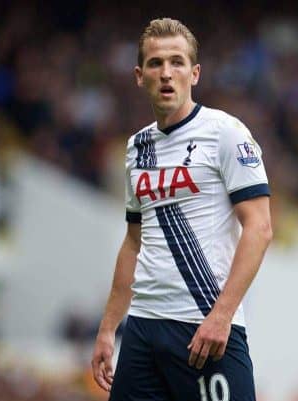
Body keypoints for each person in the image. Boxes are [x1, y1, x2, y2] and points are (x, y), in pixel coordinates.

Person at [90, 18, 272, 401]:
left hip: (204, 326)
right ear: (140, 76)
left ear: (195, 72)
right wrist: (109, 327)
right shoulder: (136, 148)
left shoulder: (226, 132)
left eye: (177, 62)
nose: (167, 73)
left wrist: (221, 315)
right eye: (156, 63)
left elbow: (259, 228)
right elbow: (133, 242)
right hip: (142, 329)